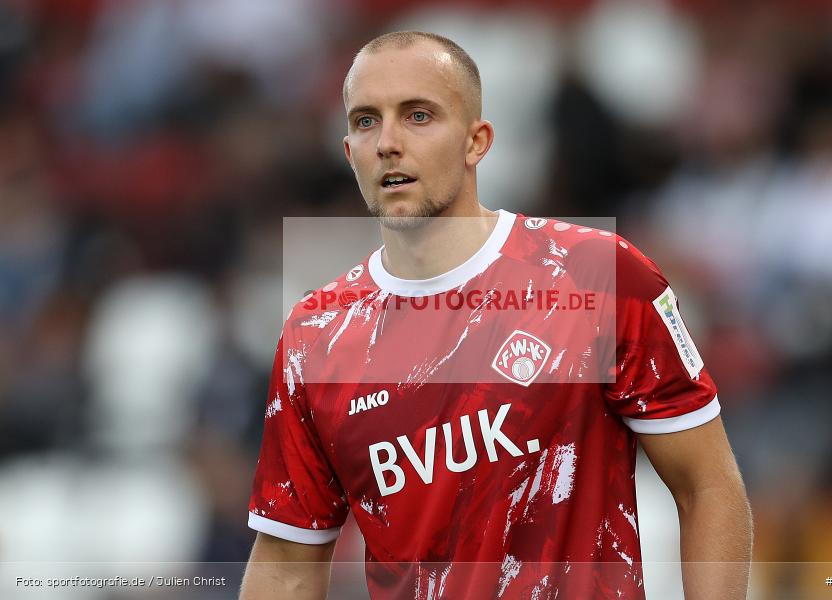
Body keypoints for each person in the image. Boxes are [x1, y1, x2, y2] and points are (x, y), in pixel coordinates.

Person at [239, 31, 752, 600]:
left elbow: (707, 487)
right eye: (366, 121)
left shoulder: (595, 276)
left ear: (476, 141)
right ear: (348, 153)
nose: (387, 142)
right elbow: (287, 564)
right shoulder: (316, 338)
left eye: (417, 116)